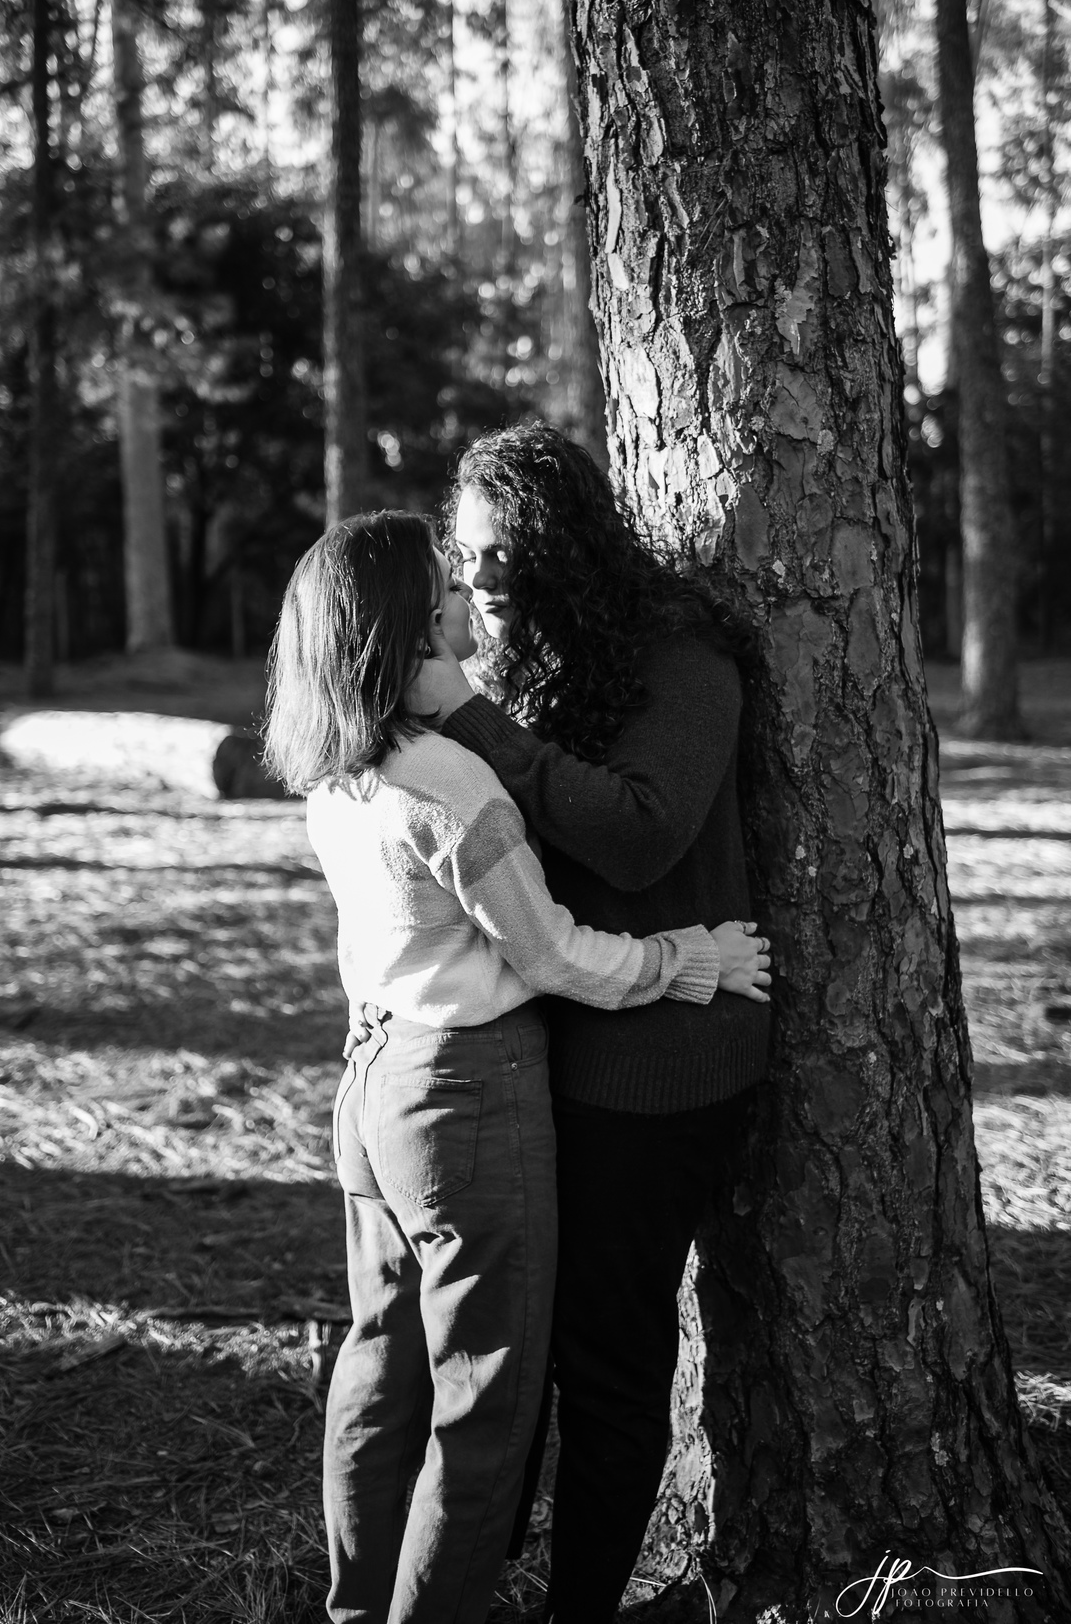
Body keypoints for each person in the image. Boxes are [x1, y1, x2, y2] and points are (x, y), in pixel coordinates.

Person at [262, 510, 770, 1624]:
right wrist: (688, 957)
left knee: (382, 1367)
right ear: (408, 629)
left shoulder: (338, 767)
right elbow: (549, 955)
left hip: (372, 1075)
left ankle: (358, 1607)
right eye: (446, 585)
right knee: (484, 1402)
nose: (468, 595)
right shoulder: (455, 782)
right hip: (464, 1094)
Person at [406, 423, 773, 1623]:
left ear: (566, 544)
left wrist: (471, 716)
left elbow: (638, 832)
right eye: (465, 554)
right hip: (549, 1047)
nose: (480, 577)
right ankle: (477, 1576)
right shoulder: (530, 661)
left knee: (609, 1359)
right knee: (524, 1343)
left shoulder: (682, 656)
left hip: (659, 1070)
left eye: (502, 551)